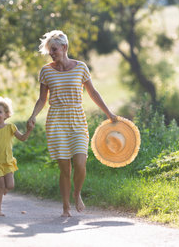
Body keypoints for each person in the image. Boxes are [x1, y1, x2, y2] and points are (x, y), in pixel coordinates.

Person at [27, 30, 117, 217]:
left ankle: (77, 193)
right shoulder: (46, 71)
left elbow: (93, 93)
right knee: (65, 168)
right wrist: (33, 115)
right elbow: (42, 99)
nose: (52, 53)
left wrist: (108, 113)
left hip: (77, 118)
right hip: (56, 121)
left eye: (54, 49)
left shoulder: (81, 67)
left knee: (80, 162)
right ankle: (66, 206)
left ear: (65, 47)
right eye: (50, 50)